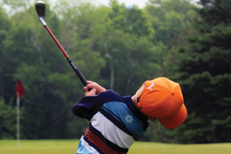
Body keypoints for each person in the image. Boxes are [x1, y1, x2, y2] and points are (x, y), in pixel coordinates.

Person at [73, 77, 187, 154]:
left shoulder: (108, 99)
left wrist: (90, 97)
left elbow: (79, 109)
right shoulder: (141, 126)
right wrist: (103, 95)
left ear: (145, 83)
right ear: (152, 118)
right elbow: (121, 108)